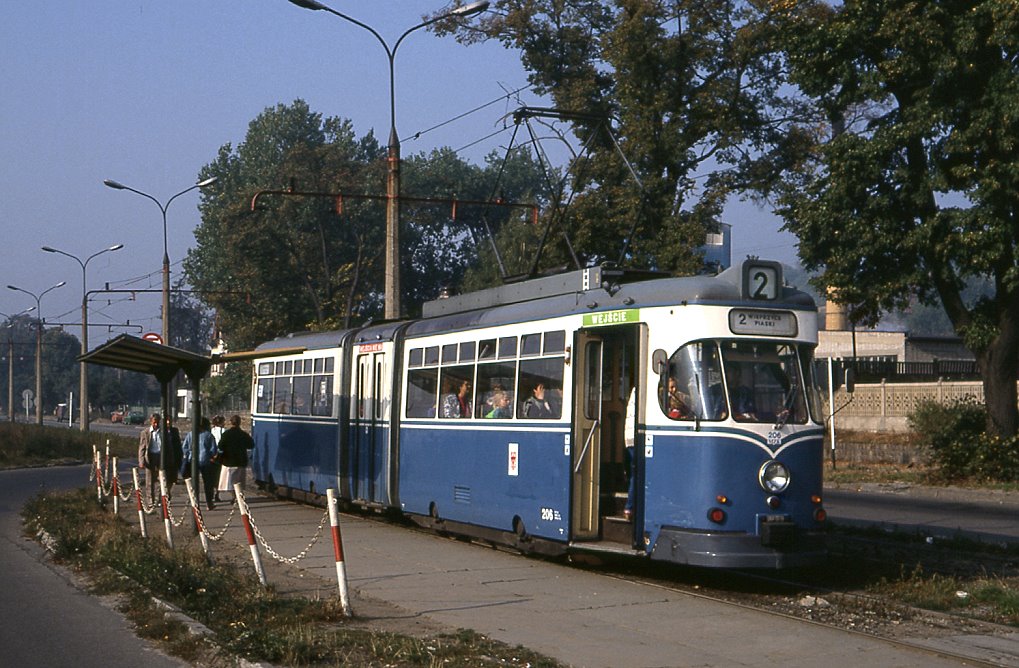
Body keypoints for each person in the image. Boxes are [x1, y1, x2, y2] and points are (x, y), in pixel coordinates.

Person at [179, 417, 219, 510]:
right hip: (206, 461)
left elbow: (184, 448)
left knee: (194, 482)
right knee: (208, 483)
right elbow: (213, 450)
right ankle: (209, 502)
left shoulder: (190, 435)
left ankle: (194, 501)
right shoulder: (208, 435)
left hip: (192, 461)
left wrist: (188, 454)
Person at [217, 415, 253, 501]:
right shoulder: (243, 434)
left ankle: (233, 495)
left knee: (229, 481)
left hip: (228, 461)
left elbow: (220, 446)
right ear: (240, 423)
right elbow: (251, 445)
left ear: (231, 422)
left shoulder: (226, 434)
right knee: (239, 481)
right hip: (241, 461)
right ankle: (237, 496)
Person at [623, 387, 636, 520]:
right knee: (637, 473)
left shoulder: (635, 390)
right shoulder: (643, 388)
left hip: (631, 437)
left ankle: (629, 507)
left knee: (635, 473)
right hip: (635, 438)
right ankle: (629, 507)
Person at [210, 415, 226, 502]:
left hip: (212, 455)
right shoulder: (223, 431)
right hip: (220, 455)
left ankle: (212, 494)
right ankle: (217, 494)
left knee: (212, 475)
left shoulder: (211, 430)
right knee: (219, 475)